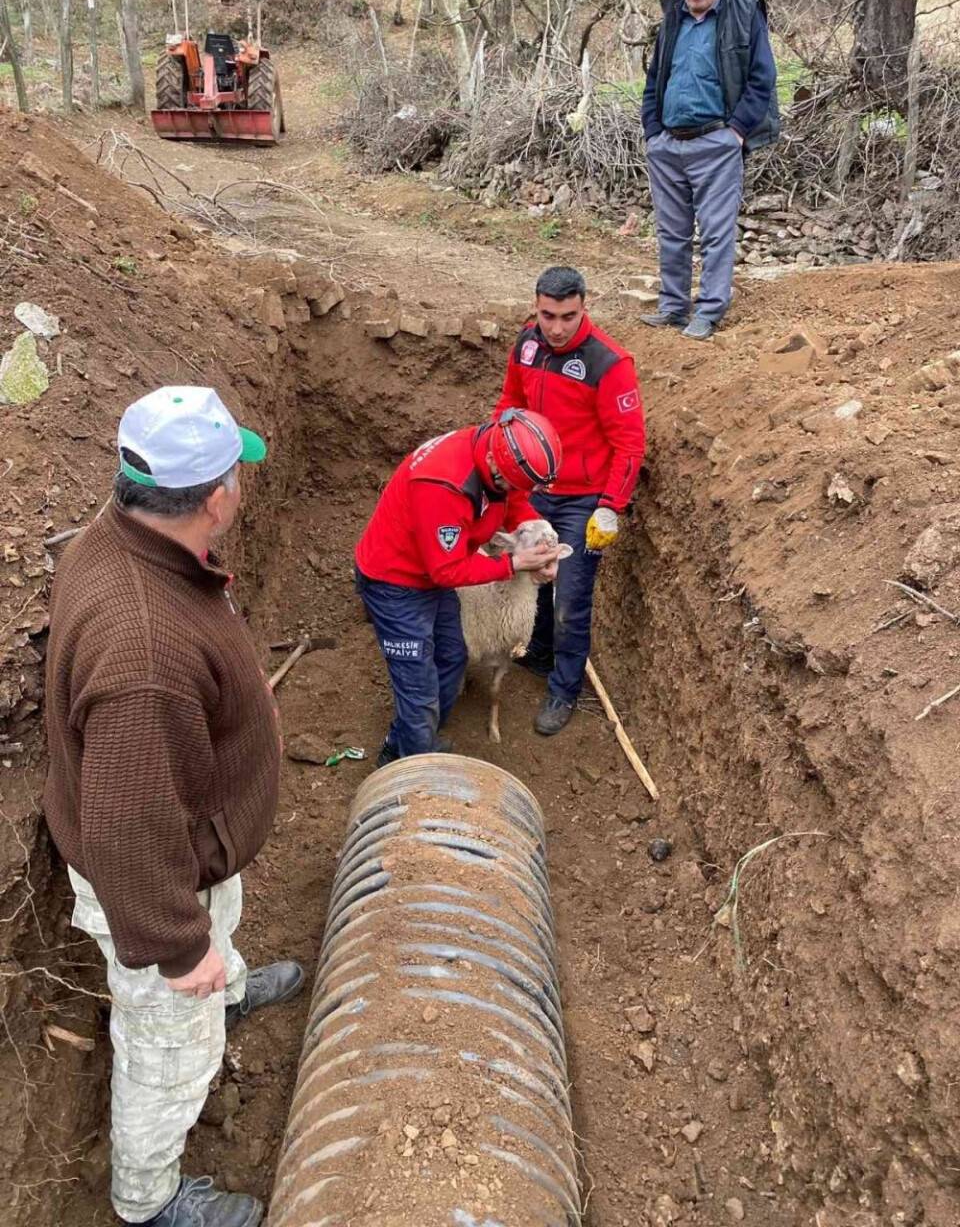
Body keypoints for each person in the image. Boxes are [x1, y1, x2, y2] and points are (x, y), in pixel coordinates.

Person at [44, 387, 305, 1227]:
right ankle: (148, 1199)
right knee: (166, 1050)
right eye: (238, 472)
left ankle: (220, 984)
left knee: (206, 959)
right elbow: (127, 826)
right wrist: (176, 947)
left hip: (186, 844)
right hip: (156, 886)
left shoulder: (123, 536)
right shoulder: (143, 652)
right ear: (219, 497)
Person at [355, 410, 564, 765]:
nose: (516, 493)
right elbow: (446, 570)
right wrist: (513, 564)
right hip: (396, 583)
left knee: (451, 656)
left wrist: (539, 543)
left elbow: (513, 503)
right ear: (496, 467)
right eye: (513, 484)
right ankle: (414, 768)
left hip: (428, 572)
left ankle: (406, 740)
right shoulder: (442, 484)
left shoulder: (494, 449)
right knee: (418, 685)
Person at [493, 266, 646, 736]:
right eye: (547, 315)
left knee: (571, 598)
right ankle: (539, 655)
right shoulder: (528, 345)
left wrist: (610, 505)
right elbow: (508, 406)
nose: (556, 327)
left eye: (567, 316)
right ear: (536, 306)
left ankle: (564, 688)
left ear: (584, 306)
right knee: (531, 574)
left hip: (582, 499)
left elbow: (630, 442)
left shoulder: (609, 364)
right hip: (535, 491)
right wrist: (498, 461)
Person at [640, 0, 779, 340]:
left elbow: (762, 77)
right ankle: (672, 307)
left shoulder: (743, 12)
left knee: (717, 233)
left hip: (717, 142)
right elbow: (654, 80)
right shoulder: (673, 17)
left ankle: (710, 311)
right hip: (668, 144)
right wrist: (653, 132)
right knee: (671, 232)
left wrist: (735, 132)